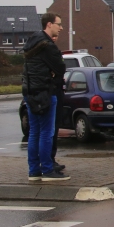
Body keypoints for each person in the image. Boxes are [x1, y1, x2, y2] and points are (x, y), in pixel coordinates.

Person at [22, 13, 69, 182]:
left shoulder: (32, 42)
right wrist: (53, 72)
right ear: (49, 24)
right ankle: (48, 170)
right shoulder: (48, 46)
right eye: (59, 24)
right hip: (45, 93)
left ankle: (34, 171)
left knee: (34, 133)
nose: (61, 28)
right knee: (47, 133)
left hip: (30, 92)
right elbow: (61, 68)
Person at [49, 35, 66, 172]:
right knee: (50, 130)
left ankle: (50, 160)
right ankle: (49, 162)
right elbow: (60, 68)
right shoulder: (48, 51)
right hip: (53, 92)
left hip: (57, 90)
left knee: (53, 129)